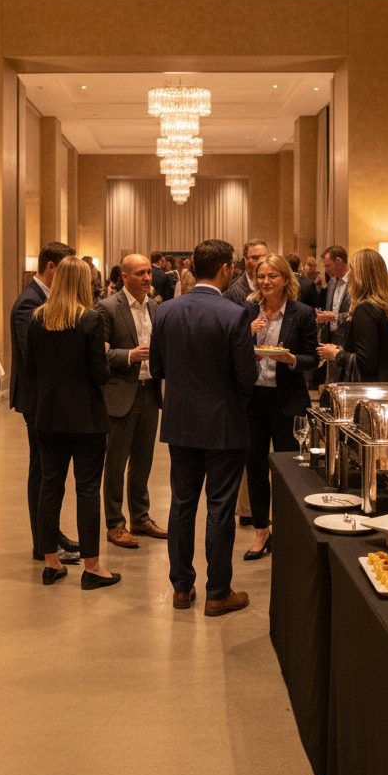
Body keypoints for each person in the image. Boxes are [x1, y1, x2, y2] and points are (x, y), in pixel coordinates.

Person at [149, 239, 258, 616]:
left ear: (193, 266)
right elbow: (248, 376)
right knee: (220, 508)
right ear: (227, 268)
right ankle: (218, 592)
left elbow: (158, 369)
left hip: (180, 421)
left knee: (182, 503)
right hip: (224, 423)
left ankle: (181, 588)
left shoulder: (165, 312)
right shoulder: (234, 314)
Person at [26, 257, 119, 589]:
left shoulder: (37, 320)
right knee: (87, 490)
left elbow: (31, 371)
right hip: (87, 418)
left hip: (48, 417)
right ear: (83, 283)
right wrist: (105, 351)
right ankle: (92, 567)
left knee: (50, 487)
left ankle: (51, 562)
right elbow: (100, 375)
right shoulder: (90, 321)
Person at [242, 254, 318, 560]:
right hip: (253, 400)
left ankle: (289, 530)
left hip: (287, 400)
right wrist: (246, 334)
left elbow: (312, 357)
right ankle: (262, 531)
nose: (266, 282)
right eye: (261, 276)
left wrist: (291, 359)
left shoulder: (302, 313)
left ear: (286, 279)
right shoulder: (248, 311)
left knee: (289, 469)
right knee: (256, 468)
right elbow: (232, 351)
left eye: (272, 276)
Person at [9, 241, 81, 564]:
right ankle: (43, 543)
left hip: (47, 397)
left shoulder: (46, 299)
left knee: (50, 470)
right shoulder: (29, 303)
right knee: (42, 470)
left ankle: (52, 532)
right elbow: (32, 354)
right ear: (52, 268)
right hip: (36, 398)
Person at [97, 254, 167, 549]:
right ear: (124, 277)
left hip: (150, 392)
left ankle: (140, 516)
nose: (147, 278)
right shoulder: (108, 307)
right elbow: (97, 353)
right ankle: (115, 523)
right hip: (121, 393)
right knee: (116, 462)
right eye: (140, 273)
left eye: (149, 272)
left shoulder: (156, 307)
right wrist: (128, 356)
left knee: (143, 460)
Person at [317, 248, 388, 383]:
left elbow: (365, 362)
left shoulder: (366, 309)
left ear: (360, 276)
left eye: (352, 271)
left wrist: (336, 354)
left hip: (373, 389)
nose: (350, 276)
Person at [315, 245, 352, 385]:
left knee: (346, 384)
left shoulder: (355, 282)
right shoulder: (331, 282)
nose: (326, 270)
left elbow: (357, 313)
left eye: (328, 266)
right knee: (332, 383)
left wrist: (335, 317)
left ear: (338, 260)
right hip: (331, 338)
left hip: (348, 341)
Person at [224, 239, 269, 305]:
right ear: (245, 260)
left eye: (266, 257)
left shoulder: (276, 286)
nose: (262, 261)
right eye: (256, 258)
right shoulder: (232, 293)